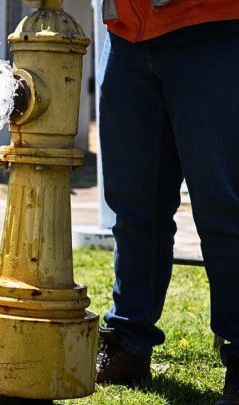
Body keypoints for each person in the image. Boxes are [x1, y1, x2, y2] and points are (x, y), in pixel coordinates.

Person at [96, 1, 239, 403]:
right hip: (127, 35)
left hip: (215, 29)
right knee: (134, 207)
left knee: (225, 210)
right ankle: (129, 340)